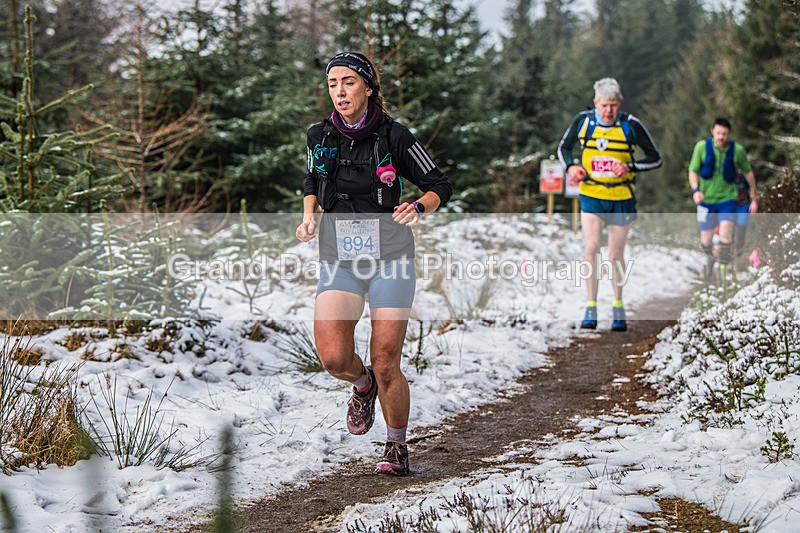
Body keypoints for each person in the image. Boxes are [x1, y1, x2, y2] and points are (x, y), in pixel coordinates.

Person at [296, 51, 452, 476]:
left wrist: (419, 206)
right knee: (333, 358)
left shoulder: (395, 136)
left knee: (386, 361)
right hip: (340, 260)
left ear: (367, 87)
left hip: (391, 261)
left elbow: (440, 183)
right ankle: (361, 385)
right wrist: (309, 214)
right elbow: (312, 179)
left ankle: (396, 446)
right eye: (332, 84)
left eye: (348, 82)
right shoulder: (319, 136)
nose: (340, 91)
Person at [557, 78, 662, 331]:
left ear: (620, 103)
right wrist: (571, 167)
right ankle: (591, 306)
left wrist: (630, 166)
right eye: (604, 105)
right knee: (591, 247)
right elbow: (563, 148)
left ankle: (618, 304)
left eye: (613, 105)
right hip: (591, 194)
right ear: (595, 103)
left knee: (615, 256)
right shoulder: (583, 121)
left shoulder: (631, 125)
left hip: (621, 198)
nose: (608, 111)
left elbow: (655, 158)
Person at [687, 117, 758, 282]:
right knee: (706, 238)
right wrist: (695, 190)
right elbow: (692, 170)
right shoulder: (701, 147)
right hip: (706, 200)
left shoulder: (737, 150)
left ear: (729, 134)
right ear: (712, 131)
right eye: (718, 133)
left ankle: (723, 271)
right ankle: (710, 261)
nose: (721, 137)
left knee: (726, 233)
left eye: (724, 134)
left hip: (728, 199)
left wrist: (754, 194)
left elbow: (748, 172)